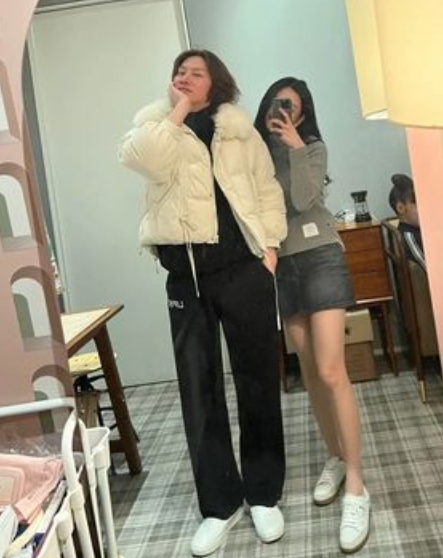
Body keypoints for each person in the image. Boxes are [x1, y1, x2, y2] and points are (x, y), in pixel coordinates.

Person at [119, 49, 287, 557]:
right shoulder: (155, 124)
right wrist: (176, 110)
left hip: (244, 270)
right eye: (180, 72)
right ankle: (219, 505)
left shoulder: (238, 129)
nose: (186, 78)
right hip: (186, 278)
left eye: (197, 73)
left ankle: (263, 494)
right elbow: (143, 160)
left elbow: (265, 188)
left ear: (217, 82)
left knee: (258, 380)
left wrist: (270, 249)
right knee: (198, 388)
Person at [254, 77, 371, 553]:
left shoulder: (313, 148)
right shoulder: (255, 155)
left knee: (330, 369)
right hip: (282, 266)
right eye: (276, 102)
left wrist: (297, 147)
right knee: (308, 371)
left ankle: (357, 485)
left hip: (320, 255)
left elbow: (303, 200)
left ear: (301, 115)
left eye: (292, 106)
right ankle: (336, 457)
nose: (282, 109)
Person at [388, 173, 426, 271]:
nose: (424, 208)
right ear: (401, 208)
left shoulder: (417, 229)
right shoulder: (409, 237)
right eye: (417, 203)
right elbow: (430, 270)